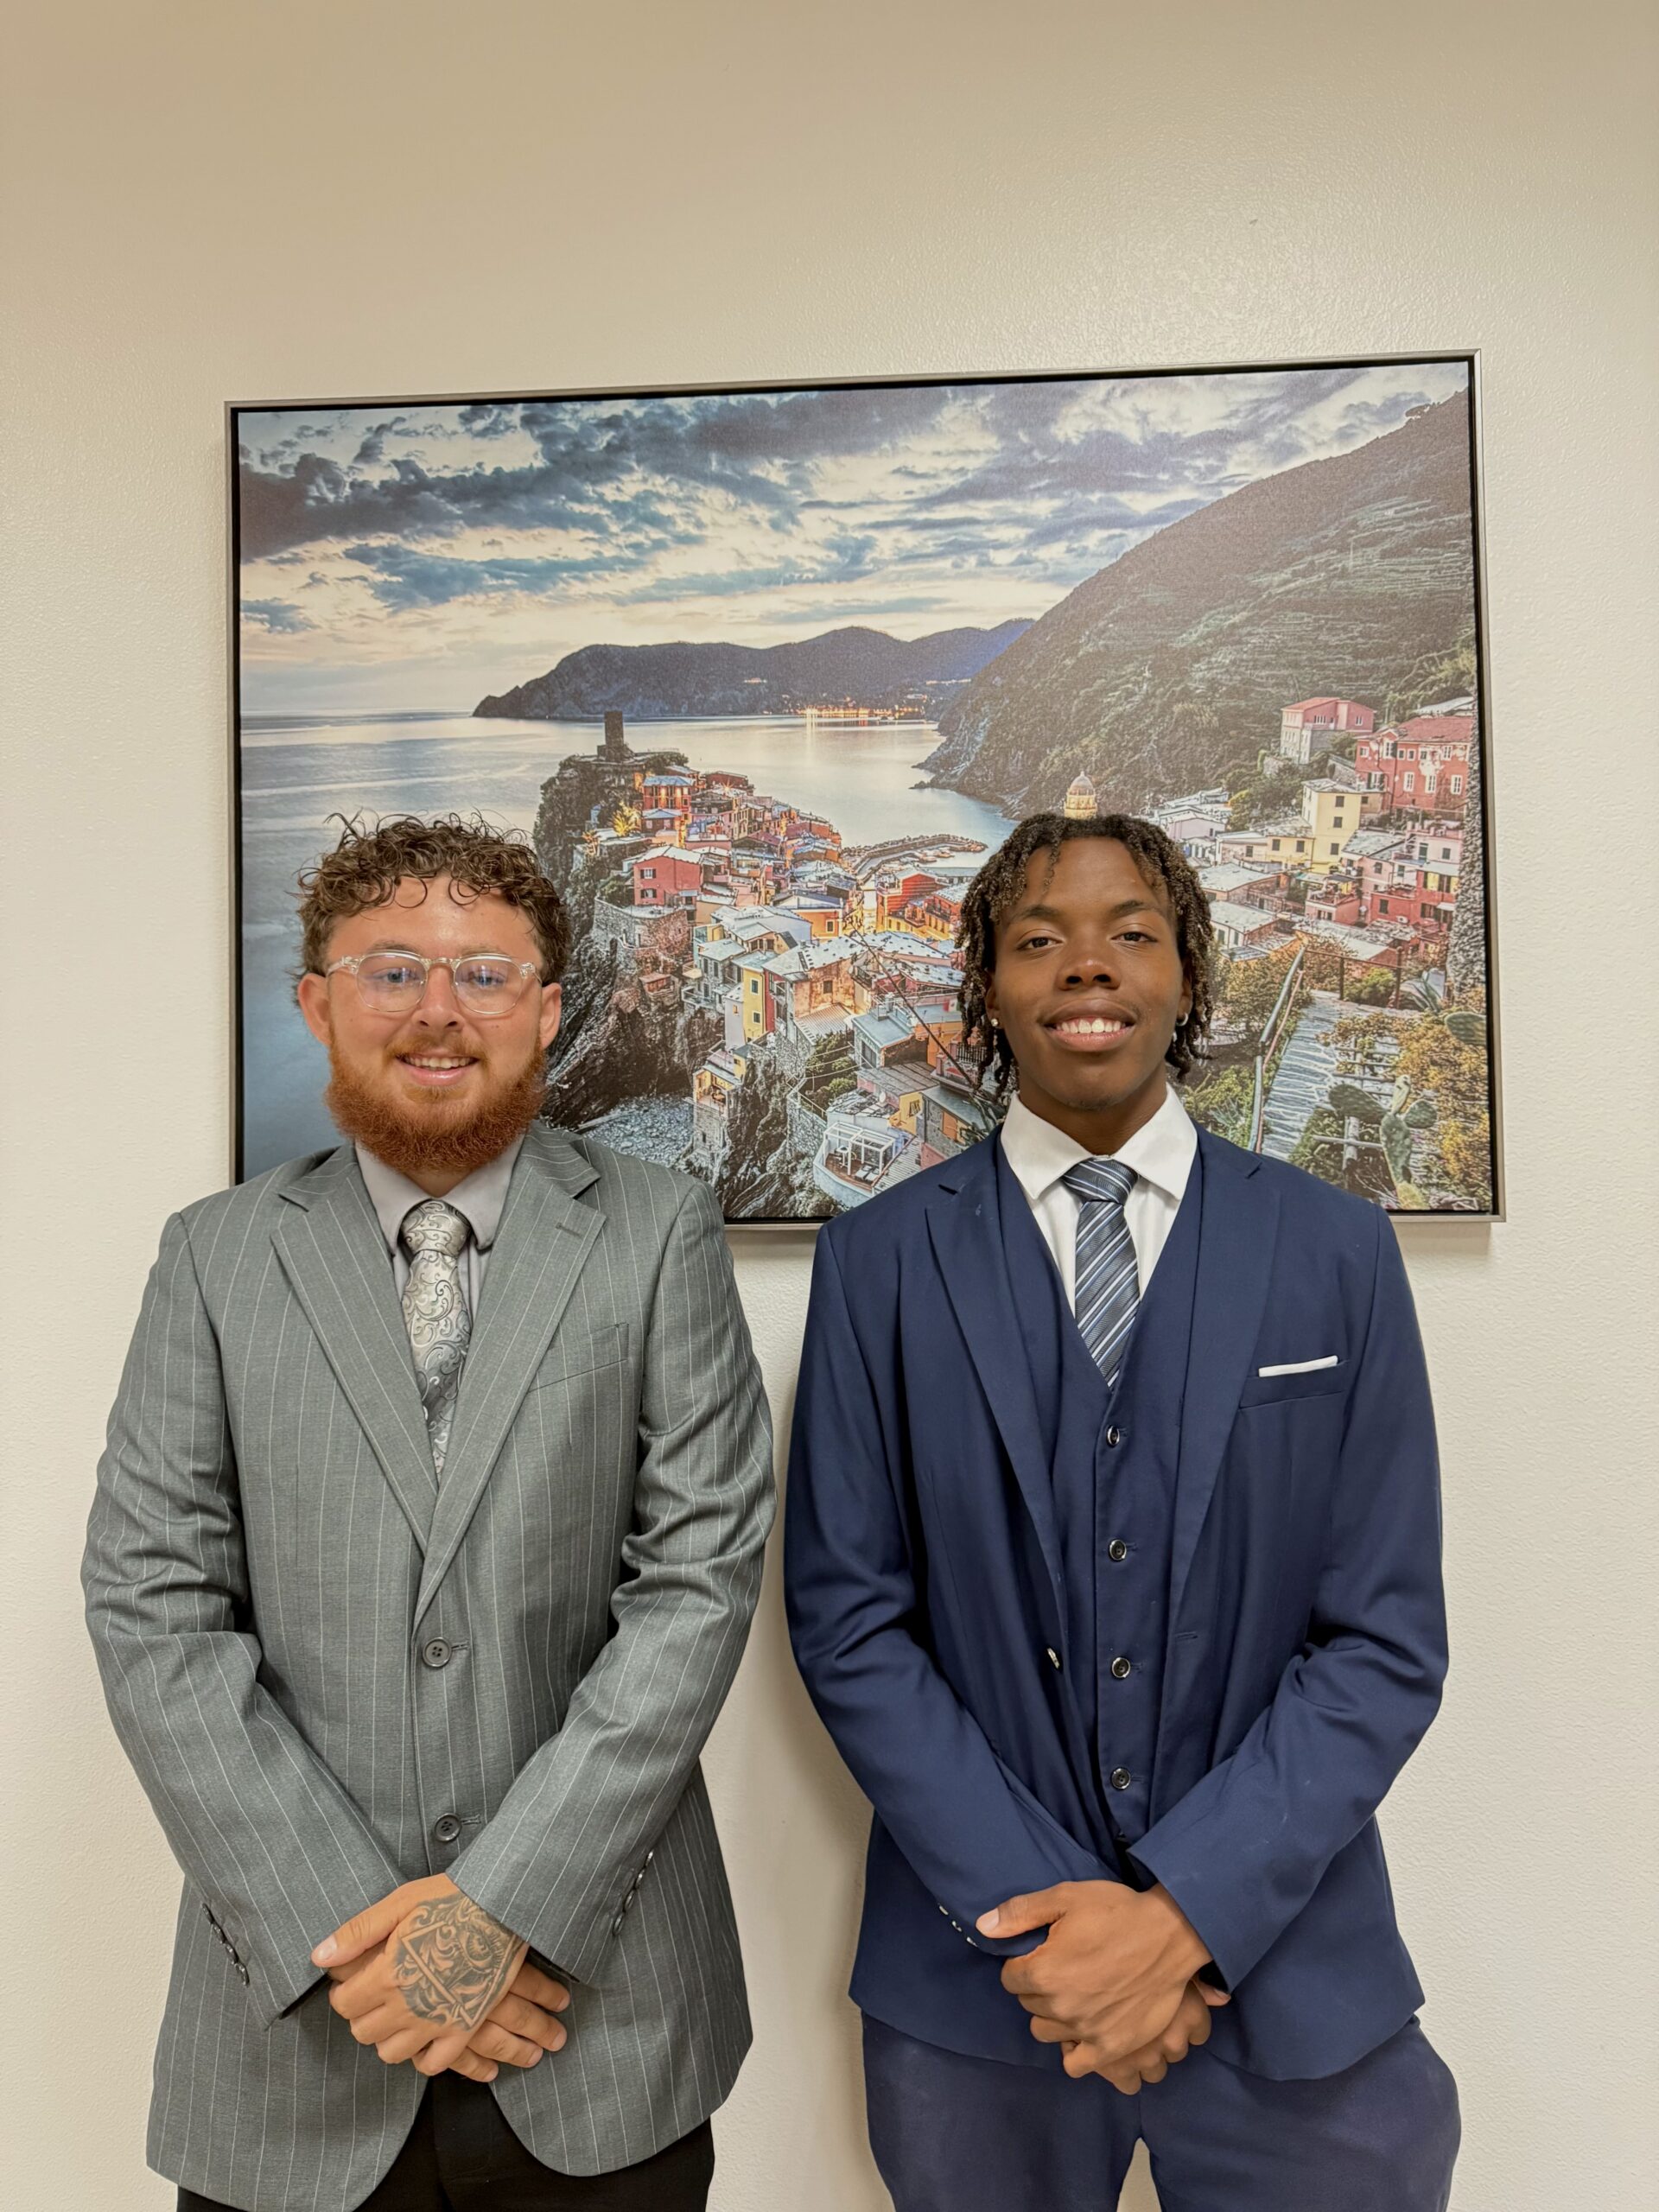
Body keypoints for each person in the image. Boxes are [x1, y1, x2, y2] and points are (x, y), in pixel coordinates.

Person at [85, 815, 774, 2212]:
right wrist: (375, 1947)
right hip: (298, 2040)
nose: (439, 1014)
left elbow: (695, 1589)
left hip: (604, 2026)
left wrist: (496, 1919)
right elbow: (153, 1609)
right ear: (316, 1003)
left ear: (551, 1012)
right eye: (391, 970)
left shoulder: (659, 1234)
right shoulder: (212, 1260)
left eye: (486, 975)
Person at [784, 812, 1459, 2211]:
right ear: (987, 990)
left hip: (1290, 1974)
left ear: (1186, 981)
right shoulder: (877, 1265)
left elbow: (1384, 1638)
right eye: (1039, 940)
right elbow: (850, 1622)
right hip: (983, 1990)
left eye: (1131, 935)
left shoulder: (1335, 1251)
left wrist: (1183, 1917)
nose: (1086, 968)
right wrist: (1058, 1932)